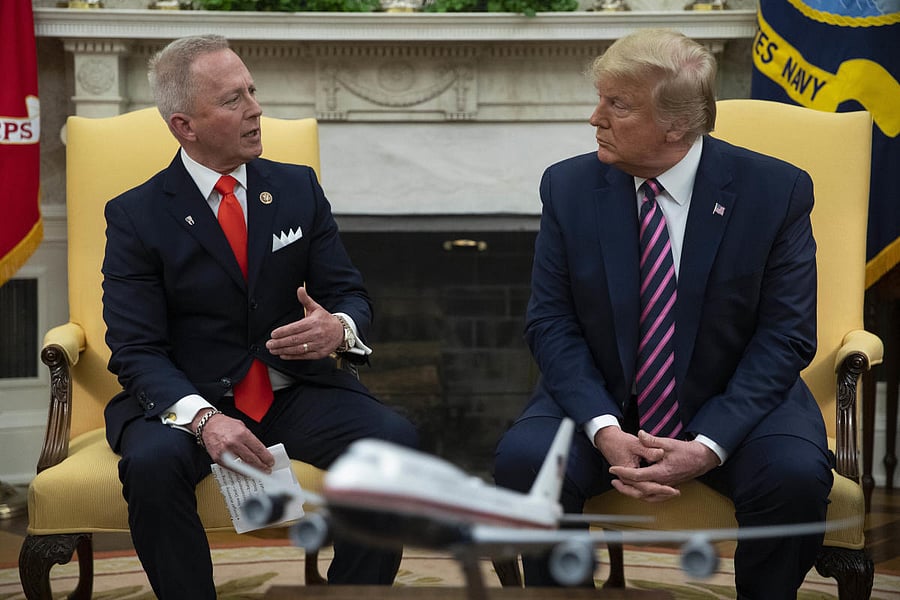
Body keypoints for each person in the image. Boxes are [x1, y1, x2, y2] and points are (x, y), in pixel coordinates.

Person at [494, 28, 833, 598]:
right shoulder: (570, 186)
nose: (595, 117)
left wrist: (708, 444)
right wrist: (603, 428)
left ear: (678, 124)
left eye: (617, 104)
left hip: (734, 402)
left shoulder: (775, 191)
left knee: (794, 477)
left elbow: (786, 336)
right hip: (603, 396)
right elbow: (550, 322)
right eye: (600, 98)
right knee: (526, 463)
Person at [101, 34, 418, 599]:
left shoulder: (297, 188)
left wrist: (337, 328)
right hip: (191, 399)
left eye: (252, 90)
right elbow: (135, 348)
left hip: (293, 391)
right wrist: (204, 421)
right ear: (184, 125)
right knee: (150, 468)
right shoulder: (135, 215)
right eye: (232, 100)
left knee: (395, 445)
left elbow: (350, 294)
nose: (255, 108)